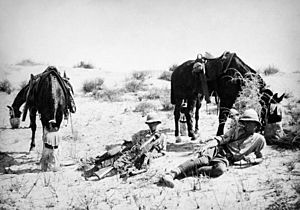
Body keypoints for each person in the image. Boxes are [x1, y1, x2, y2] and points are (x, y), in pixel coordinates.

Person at [160, 109, 266, 188]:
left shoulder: (259, 139)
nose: (245, 124)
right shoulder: (236, 130)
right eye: (245, 122)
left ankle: (189, 172)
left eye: (249, 123)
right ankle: (172, 173)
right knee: (203, 160)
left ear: (256, 125)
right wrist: (206, 146)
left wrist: (254, 160)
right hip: (218, 149)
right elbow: (220, 140)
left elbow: (261, 157)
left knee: (219, 170)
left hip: (226, 158)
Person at [84, 112, 166, 179]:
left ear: (157, 123)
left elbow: (163, 152)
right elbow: (133, 141)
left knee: (120, 164)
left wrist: (151, 155)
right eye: (150, 123)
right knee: (112, 155)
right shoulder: (143, 133)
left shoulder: (161, 137)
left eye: (153, 123)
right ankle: (93, 167)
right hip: (132, 151)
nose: (151, 125)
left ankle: (98, 175)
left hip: (141, 156)